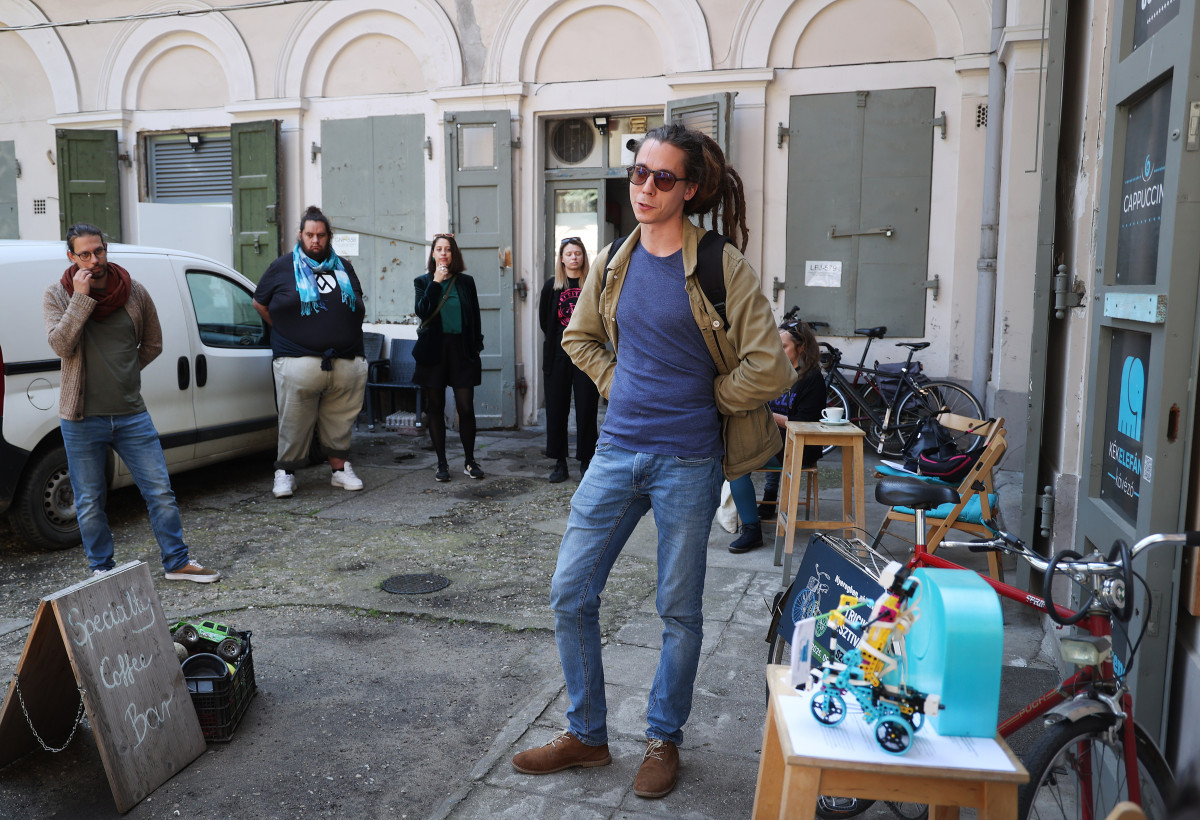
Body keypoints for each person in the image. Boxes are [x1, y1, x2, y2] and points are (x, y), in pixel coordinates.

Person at [511, 124, 794, 797]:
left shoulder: (721, 265)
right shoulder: (614, 259)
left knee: (679, 610)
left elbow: (771, 366)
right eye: (639, 173)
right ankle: (586, 735)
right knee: (570, 592)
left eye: (663, 178)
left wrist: (710, 396)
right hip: (615, 451)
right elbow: (579, 338)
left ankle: (663, 739)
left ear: (688, 189)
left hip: (688, 460)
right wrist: (620, 383)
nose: (645, 187)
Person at [43, 223, 220, 582]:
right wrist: (81, 298)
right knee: (89, 500)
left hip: (131, 414)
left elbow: (153, 343)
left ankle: (177, 562)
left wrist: (125, 372)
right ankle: (102, 570)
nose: (94, 260)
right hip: (81, 418)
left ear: (106, 248)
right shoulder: (57, 295)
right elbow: (61, 345)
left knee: (160, 491)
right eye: (85, 254)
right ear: (71, 257)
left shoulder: (134, 291)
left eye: (99, 251)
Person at [253, 205, 367, 498]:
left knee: (340, 422)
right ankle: (285, 473)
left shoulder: (344, 267)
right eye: (309, 235)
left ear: (329, 237)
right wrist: (285, 329)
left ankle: (340, 470)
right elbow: (260, 303)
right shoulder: (281, 267)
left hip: (345, 360)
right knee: (293, 422)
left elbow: (357, 305)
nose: (315, 240)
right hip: (297, 360)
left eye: (321, 235)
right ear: (300, 235)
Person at [727, 319, 825, 553]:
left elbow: (804, 424)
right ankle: (768, 500)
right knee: (737, 448)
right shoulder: (773, 373)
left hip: (801, 446)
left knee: (737, 464)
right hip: (774, 441)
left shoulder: (812, 379)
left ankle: (752, 530)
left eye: (784, 347)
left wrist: (768, 415)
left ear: (801, 347)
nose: (777, 352)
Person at [413, 233, 485, 482]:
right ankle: (441, 464)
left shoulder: (466, 282)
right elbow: (422, 311)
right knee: (435, 407)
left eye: (448, 249)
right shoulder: (423, 281)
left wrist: (477, 346)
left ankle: (470, 461)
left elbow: (475, 316)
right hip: (434, 350)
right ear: (433, 254)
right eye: (439, 249)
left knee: (466, 407)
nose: (443, 253)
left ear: (454, 254)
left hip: (461, 350)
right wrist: (436, 281)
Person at [538, 237, 599, 483]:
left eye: (578, 253)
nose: (574, 257)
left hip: (587, 355)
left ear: (583, 257)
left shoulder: (592, 284)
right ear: (562, 259)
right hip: (558, 356)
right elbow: (545, 321)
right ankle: (559, 462)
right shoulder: (552, 286)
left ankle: (586, 460)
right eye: (569, 254)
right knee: (556, 409)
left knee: (586, 409)